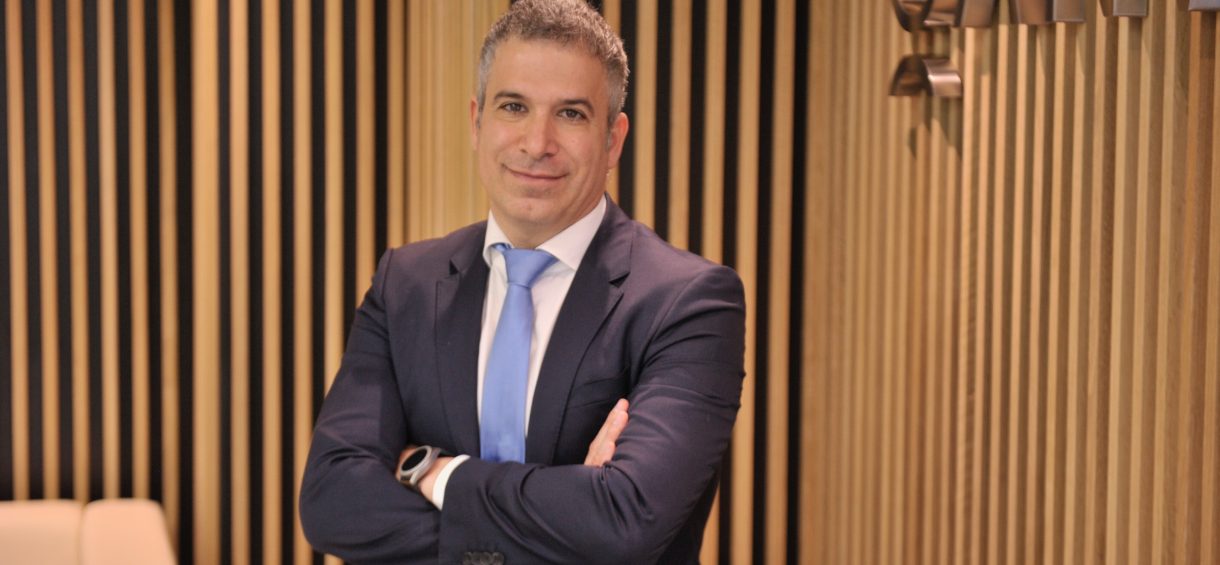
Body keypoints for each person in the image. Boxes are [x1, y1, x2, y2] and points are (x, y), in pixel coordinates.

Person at [299, 1, 745, 563]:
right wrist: (568, 517)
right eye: (514, 107)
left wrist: (434, 473)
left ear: (613, 139)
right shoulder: (405, 284)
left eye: (572, 114)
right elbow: (332, 501)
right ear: (476, 122)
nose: (537, 143)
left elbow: (625, 521)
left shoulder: (688, 303)